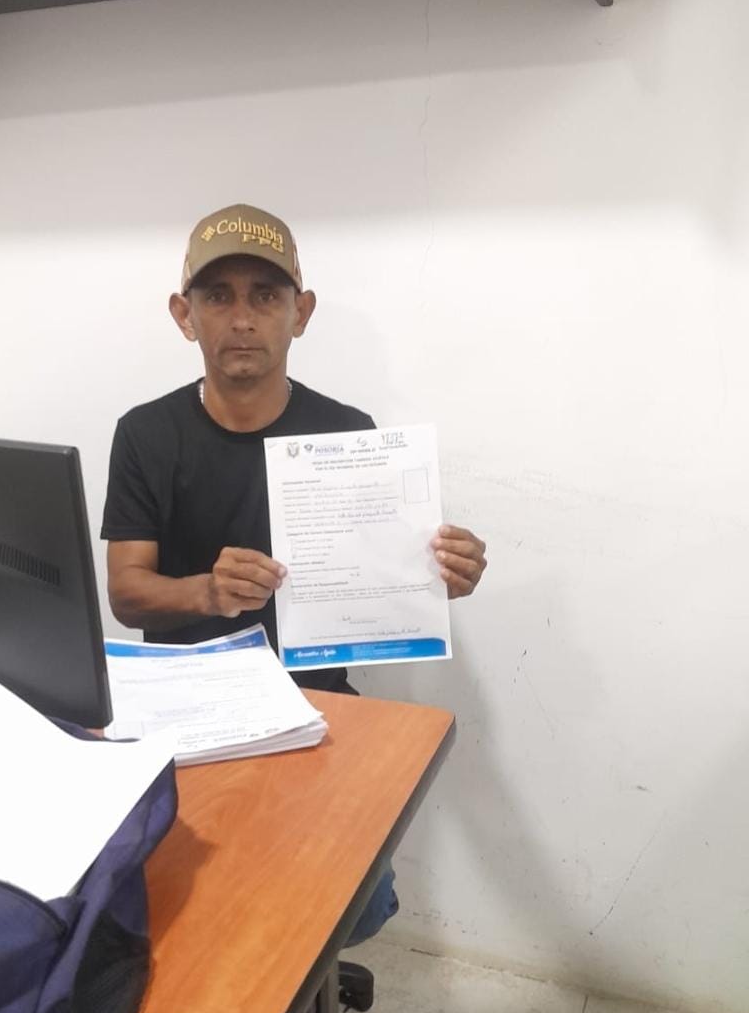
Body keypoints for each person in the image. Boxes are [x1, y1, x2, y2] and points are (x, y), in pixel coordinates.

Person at [101, 203, 487, 945]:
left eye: (266, 295)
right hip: (186, 709)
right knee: (176, 906)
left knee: (356, 910)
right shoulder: (146, 434)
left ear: (300, 313)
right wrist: (205, 591)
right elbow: (126, 592)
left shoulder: (348, 433)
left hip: (315, 705)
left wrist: (437, 574)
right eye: (219, 296)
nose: (243, 318)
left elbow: (387, 578)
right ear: (184, 315)